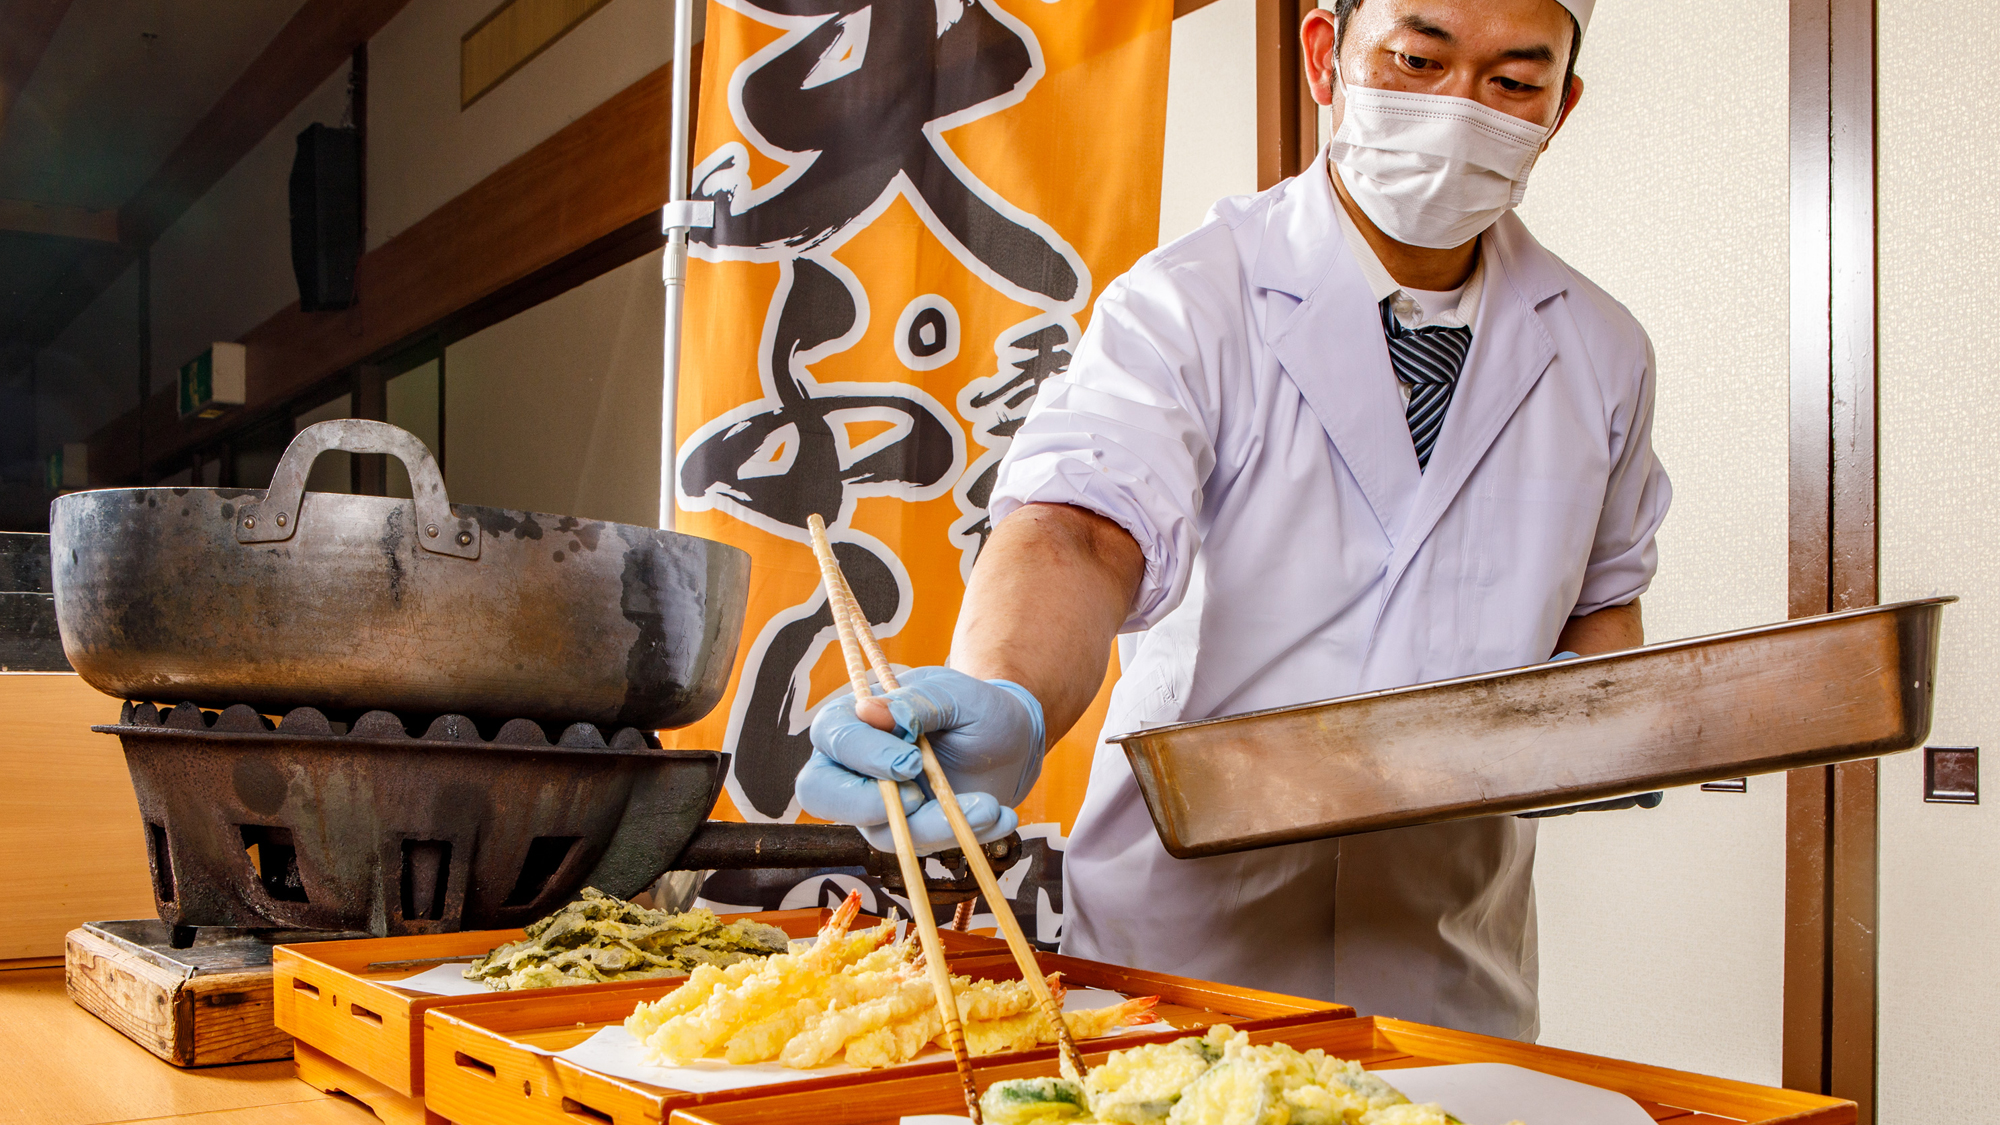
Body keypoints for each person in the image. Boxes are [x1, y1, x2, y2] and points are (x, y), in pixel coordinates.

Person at [798, 0, 1669, 1041]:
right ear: (1323, 55)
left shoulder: (1602, 351)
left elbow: (1601, 611)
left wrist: (1632, 738)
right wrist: (1009, 694)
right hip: (1188, 938)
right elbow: (1082, 528)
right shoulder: (1188, 300)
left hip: (1449, 943)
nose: (1456, 111)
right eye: (1417, 58)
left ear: (1557, 109)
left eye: (1510, 84)